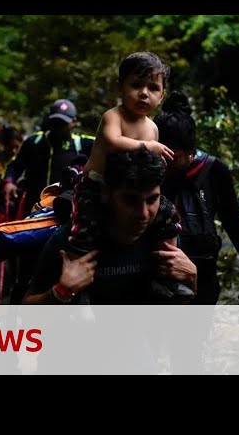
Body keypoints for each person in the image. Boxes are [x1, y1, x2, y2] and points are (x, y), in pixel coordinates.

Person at [23, 147, 198, 373]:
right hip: (69, 358)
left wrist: (192, 278)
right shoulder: (72, 240)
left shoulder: (160, 236)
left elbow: (173, 316)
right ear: (106, 193)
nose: (143, 213)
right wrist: (61, 291)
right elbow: (26, 316)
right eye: (130, 200)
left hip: (131, 354)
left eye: (152, 200)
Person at [65, 51, 191, 301]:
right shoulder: (114, 116)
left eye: (153, 88)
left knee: (168, 216)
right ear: (120, 87)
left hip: (134, 188)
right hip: (96, 185)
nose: (144, 93)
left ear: (162, 95)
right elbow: (112, 142)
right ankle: (79, 287)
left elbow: (150, 168)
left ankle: (166, 276)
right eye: (136, 85)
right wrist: (149, 147)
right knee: (84, 229)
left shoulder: (152, 127)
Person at [153, 91, 239, 373]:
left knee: (188, 350)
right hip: (154, 271)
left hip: (202, 272)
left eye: (173, 157)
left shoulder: (213, 171)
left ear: (190, 152)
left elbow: (233, 218)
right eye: (161, 153)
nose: (166, 163)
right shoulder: (150, 167)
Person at [2, 99, 94, 212]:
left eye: (63, 123)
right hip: (33, 207)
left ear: (73, 122)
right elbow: (14, 166)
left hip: (65, 209)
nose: (59, 126)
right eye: (56, 121)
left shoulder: (82, 144)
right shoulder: (34, 142)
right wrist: (9, 182)